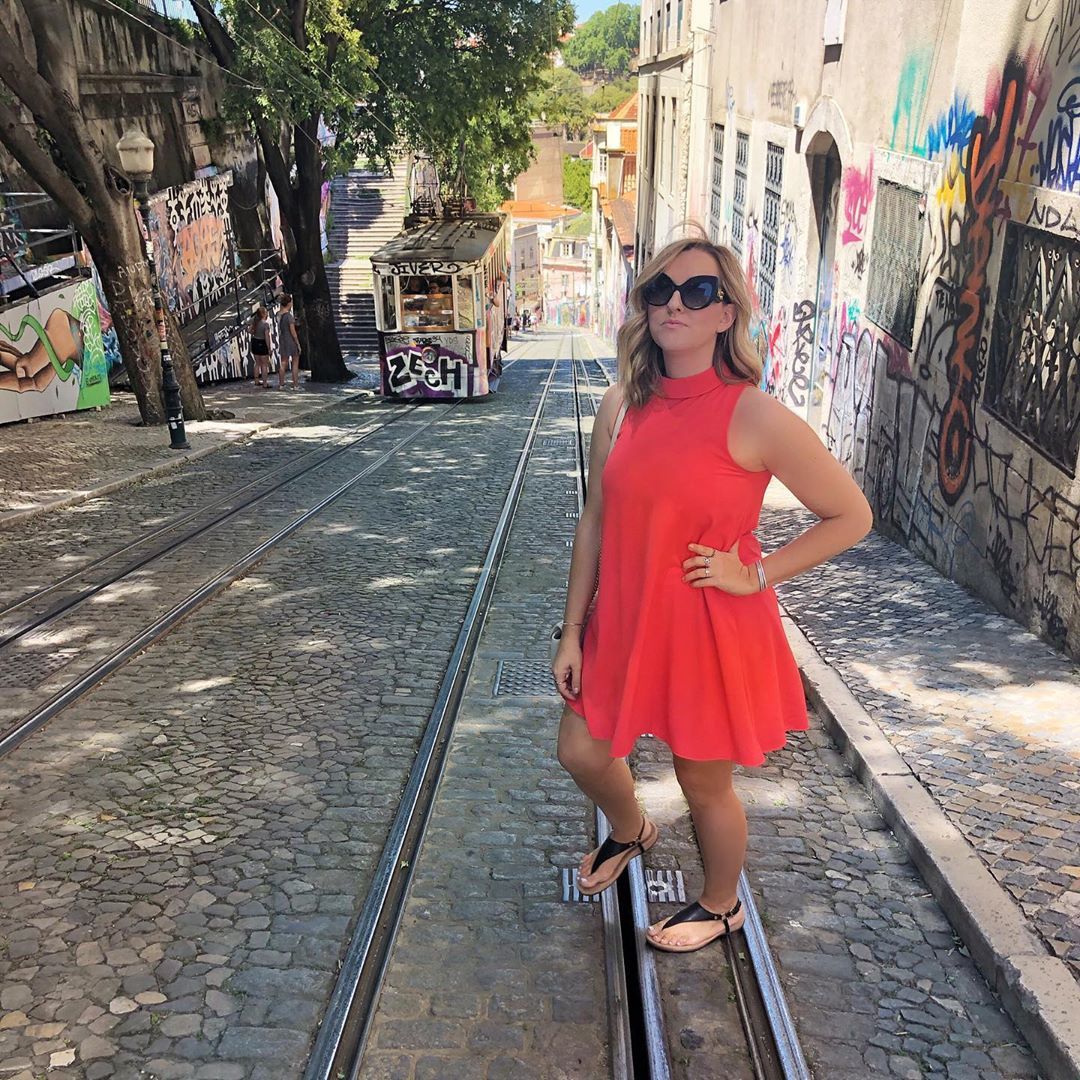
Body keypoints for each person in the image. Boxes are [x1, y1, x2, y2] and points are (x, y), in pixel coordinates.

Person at [552, 235, 873, 953]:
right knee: (579, 749)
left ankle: (723, 904)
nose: (674, 304)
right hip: (623, 622)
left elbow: (851, 516)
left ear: (726, 314)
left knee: (702, 785)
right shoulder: (620, 405)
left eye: (697, 292)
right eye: (659, 290)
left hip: (705, 627)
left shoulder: (753, 415)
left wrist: (756, 573)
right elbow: (595, 520)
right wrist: (571, 630)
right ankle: (631, 829)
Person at [277, 294, 301, 390]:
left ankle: (281, 384)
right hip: (291, 341)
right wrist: (298, 343)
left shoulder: (279, 315)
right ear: (289, 303)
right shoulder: (289, 316)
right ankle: (295, 385)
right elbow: (293, 332)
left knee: (283, 362)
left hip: (283, 340)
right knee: (295, 362)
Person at [249, 305, 272, 387]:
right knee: (264, 364)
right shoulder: (265, 325)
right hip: (262, 343)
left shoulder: (255, 322)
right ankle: (265, 383)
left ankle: (256, 380)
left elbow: (249, 330)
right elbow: (267, 337)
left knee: (257, 363)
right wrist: (269, 348)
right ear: (264, 314)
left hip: (255, 342)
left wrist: (254, 332)